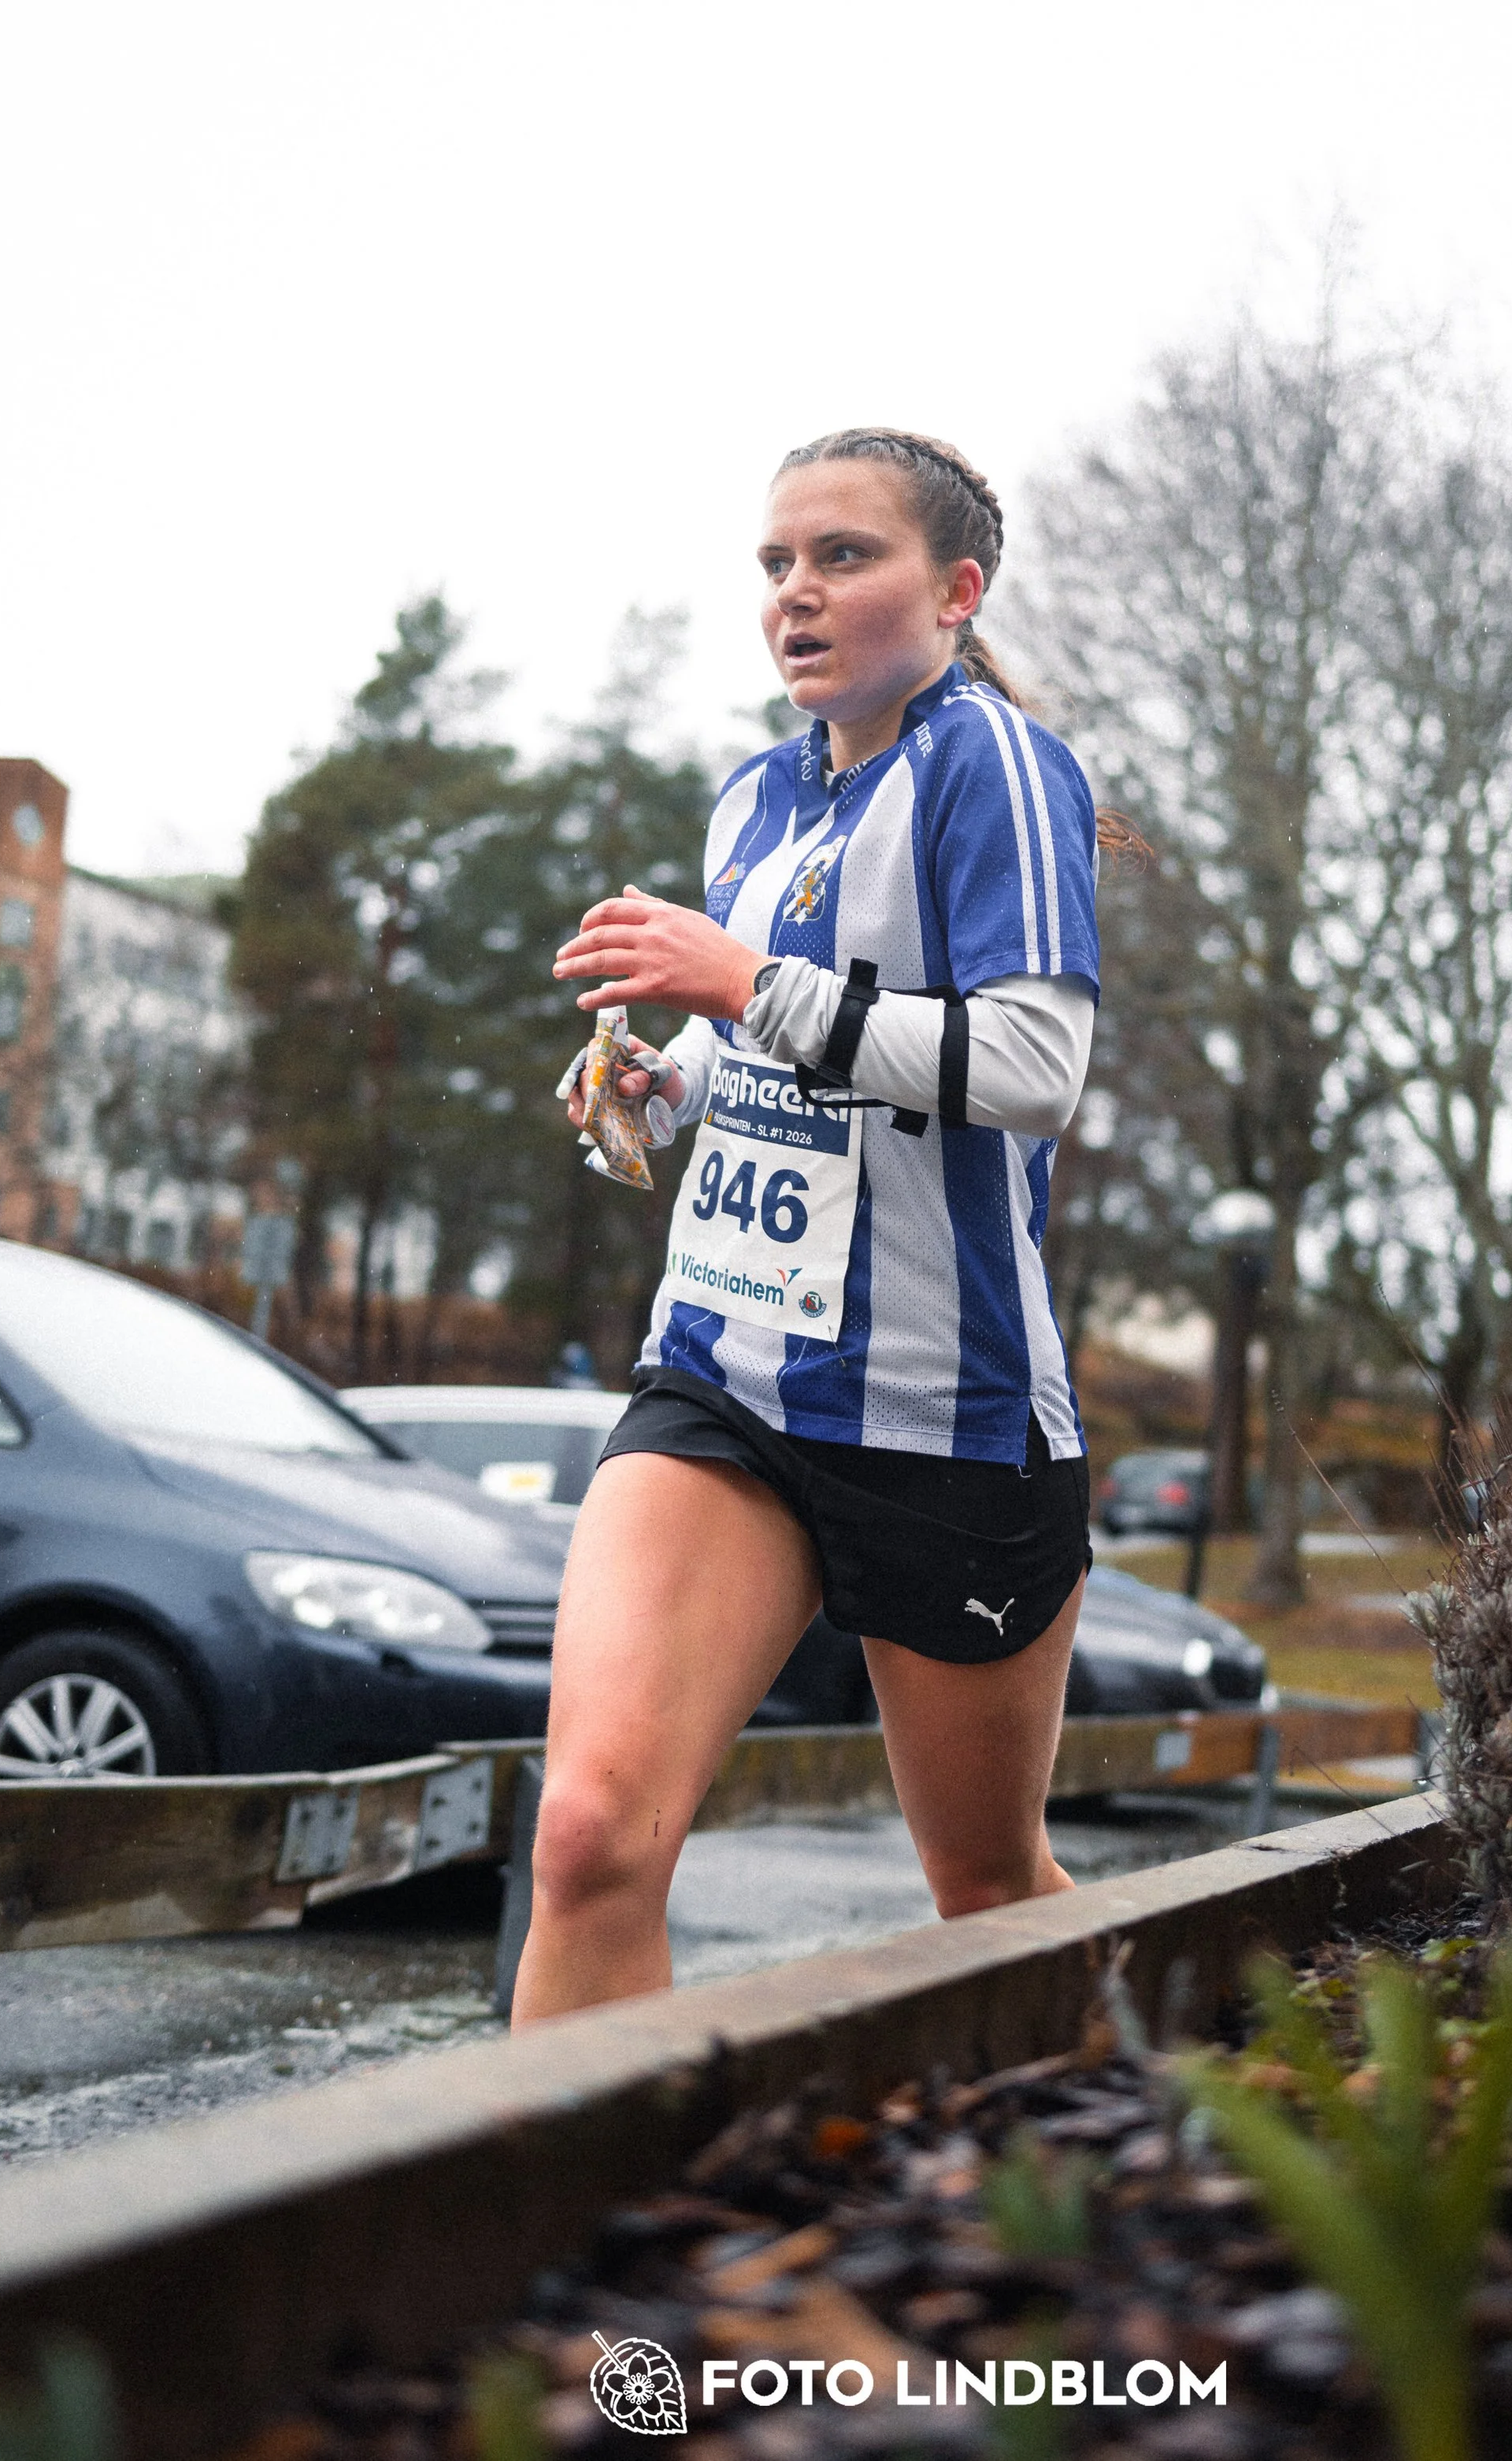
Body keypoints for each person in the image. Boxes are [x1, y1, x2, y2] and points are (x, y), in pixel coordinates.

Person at [512, 428, 1114, 2023]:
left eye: (844, 556)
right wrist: (655, 1087)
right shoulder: (752, 800)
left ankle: (1163, 2142)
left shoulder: (993, 763)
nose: (797, 593)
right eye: (777, 562)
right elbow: (749, 1046)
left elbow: (1035, 1069)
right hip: (723, 1379)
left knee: (984, 1890)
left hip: (944, 1411)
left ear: (955, 588)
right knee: (585, 1839)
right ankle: (575, 2272)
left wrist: (742, 987)